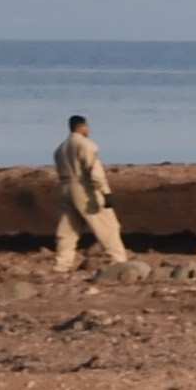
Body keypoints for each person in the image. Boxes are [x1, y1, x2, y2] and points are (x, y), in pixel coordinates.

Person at [44, 115, 130, 275]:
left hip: (65, 187)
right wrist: (105, 192)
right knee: (107, 225)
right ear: (82, 126)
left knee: (67, 229)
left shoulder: (60, 148)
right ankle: (119, 260)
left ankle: (61, 264)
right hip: (83, 187)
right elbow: (94, 171)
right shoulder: (86, 145)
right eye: (87, 126)